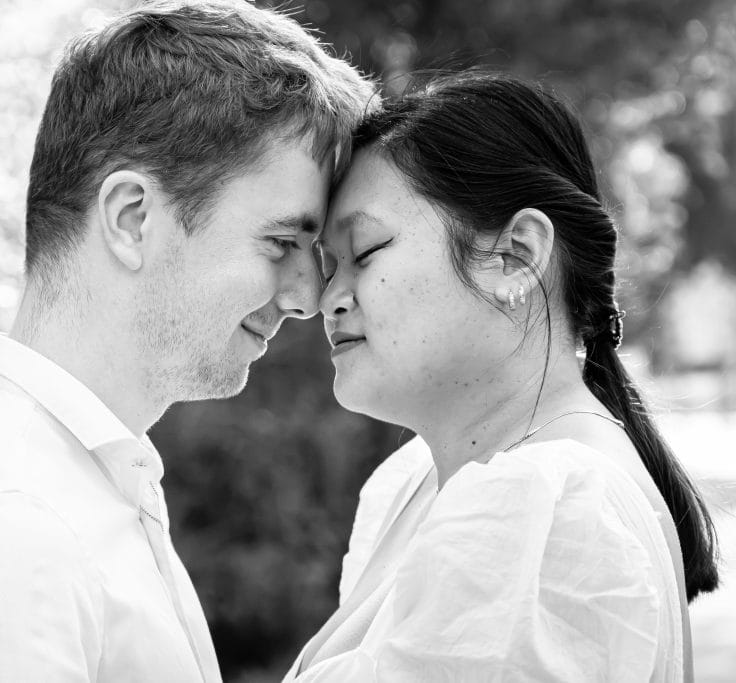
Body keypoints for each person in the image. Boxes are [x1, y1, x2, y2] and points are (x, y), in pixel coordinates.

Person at [0, 2, 374, 681]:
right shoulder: (6, 534)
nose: (306, 294)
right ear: (132, 217)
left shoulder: (85, 485)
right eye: (280, 242)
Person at [287, 71, 719, 682]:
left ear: (515, 254)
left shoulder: (540, 513)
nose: (325, 297)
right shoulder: (421, 482)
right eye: (330, 266)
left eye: (364, 252)